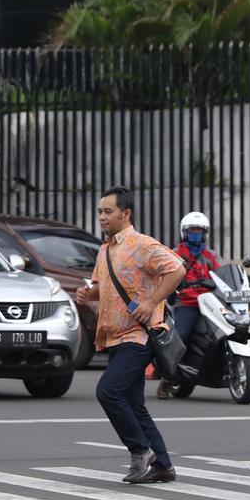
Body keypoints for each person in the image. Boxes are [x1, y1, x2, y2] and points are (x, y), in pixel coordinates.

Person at [76, 187, 185, 484]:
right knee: (134, 404)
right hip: (114, 335)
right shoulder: (105, 249)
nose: (101, 217)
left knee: (108, 392)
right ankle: (163, 465)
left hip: (138, 336)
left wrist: (151, 303)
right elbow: (103, 284)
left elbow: (177, 270)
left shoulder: (142, 245)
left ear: (126, 214)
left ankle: (141, 451)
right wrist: (89, 292)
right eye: (99, 211)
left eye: (107, 211)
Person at [157, 211, 221, 400]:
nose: (196, 234)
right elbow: (166, 274)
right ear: (184, 232)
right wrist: (178, 284)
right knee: (181, 337)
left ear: (205, 233)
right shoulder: (176, 254)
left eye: (199, 230)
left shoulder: (210, 255)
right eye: (192, 230)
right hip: (187, 302)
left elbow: (223, 271)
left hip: (210, 302)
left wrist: (242, 276)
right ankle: (167, 378)